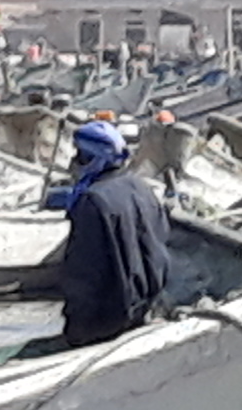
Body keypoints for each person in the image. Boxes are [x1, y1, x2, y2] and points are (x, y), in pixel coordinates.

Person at [49, 117, 173, 346]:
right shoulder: (142, 187)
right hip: (144, 309)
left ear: (95, 159)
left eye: (81, 156)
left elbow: (85, 273)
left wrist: (75, 329)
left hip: (106, 322)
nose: (74, 163)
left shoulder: (92, 202)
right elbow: (162, 243)